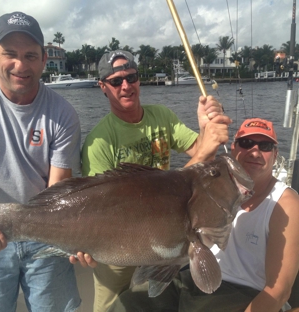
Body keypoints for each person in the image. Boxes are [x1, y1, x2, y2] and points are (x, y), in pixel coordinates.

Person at [79, 49, 231, 312]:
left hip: (163, 240)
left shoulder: (162, 116)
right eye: (116, 81)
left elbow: (202, 153)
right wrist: (207, 146)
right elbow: (100, 207)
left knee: (153, 304)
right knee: (109, 307)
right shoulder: (98, 141)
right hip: (118, 246)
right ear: (103, 87)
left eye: (131, 77)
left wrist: (206, 127)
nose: (126, 85)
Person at [108, 117, 299, 312]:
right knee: (126, 304)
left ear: (275, 155)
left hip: (244, 292)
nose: (255, 151)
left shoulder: (285, 204)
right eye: (246, 143)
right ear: (233, 148)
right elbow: (169, 193)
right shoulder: (212, 185)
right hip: (193, 277)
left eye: (265, 145)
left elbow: (279, 290)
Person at [0, 12, 82, 311]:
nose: (20, 65)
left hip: (45, 230)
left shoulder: (63, 113)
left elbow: (57, 195)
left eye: (30, 55)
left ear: (43, 59)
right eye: (10, 54)